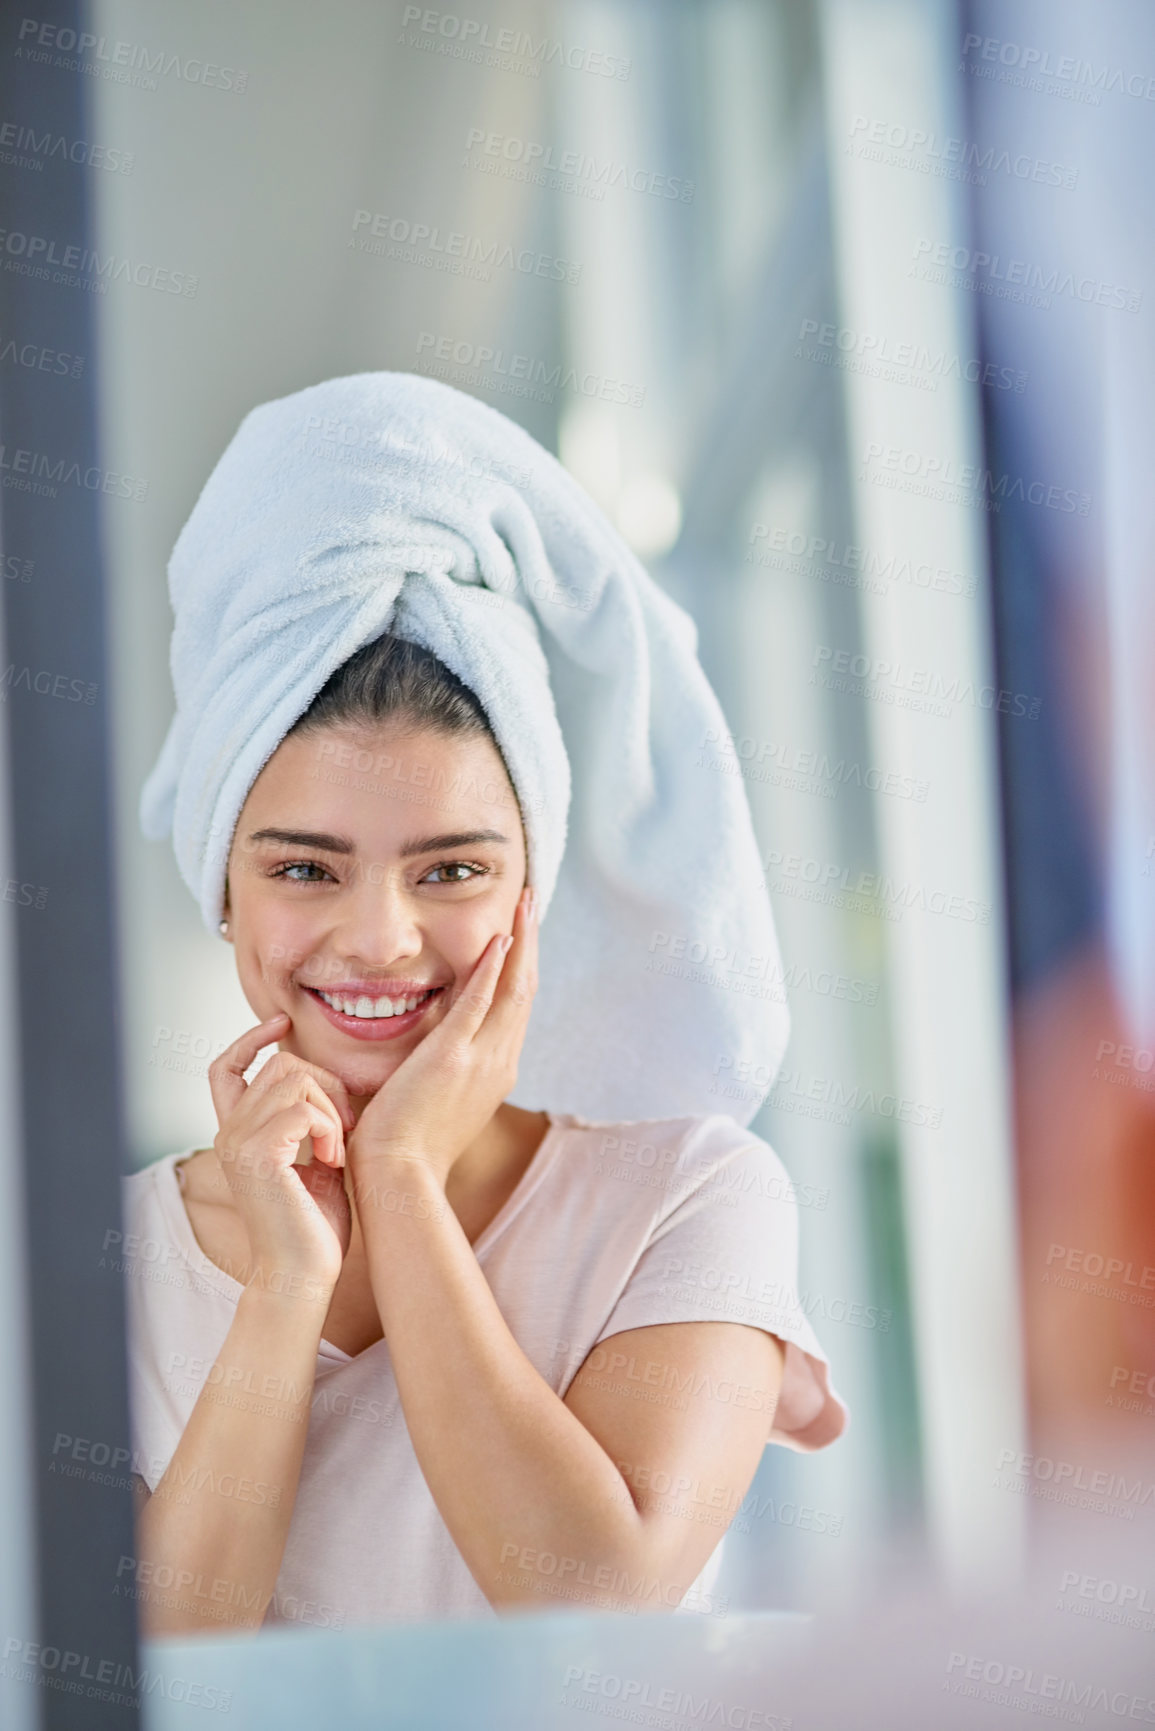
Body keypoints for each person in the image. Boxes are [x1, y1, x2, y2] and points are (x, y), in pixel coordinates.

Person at [124, 373, 847, 1635]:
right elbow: (147, 1673)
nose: (381, 940)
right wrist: (285, 1292)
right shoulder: (106, 1261)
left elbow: (594, 1601)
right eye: (304, 867)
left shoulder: (690, 1199)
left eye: (451, 869)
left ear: (534, 885)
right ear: (223, 890)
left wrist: (399, 1178)